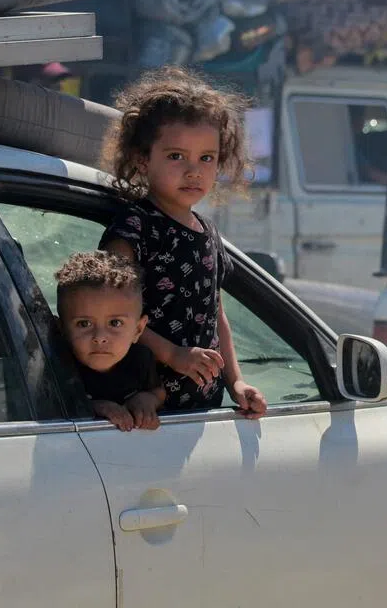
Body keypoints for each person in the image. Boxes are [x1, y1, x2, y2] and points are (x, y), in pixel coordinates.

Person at [99, 67, 268, 418]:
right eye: (176, 156)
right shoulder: (133, 228)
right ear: (142, 158)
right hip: (143, 409)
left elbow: (216, 316)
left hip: (204, 410)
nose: (193, 170)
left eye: (206, 158)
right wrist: (172, 354)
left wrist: (235, 382)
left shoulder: (208, 232)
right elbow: (111, 318)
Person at [55, 250, 165, 432]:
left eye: (115, 323)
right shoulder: (58, 367)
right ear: (61, 329)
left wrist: (147, 399)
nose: (100, 337)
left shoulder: (141, 359)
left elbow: (158, 392)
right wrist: (95, 407)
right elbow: (54, 407)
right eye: (84, 323)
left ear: (138, 329)